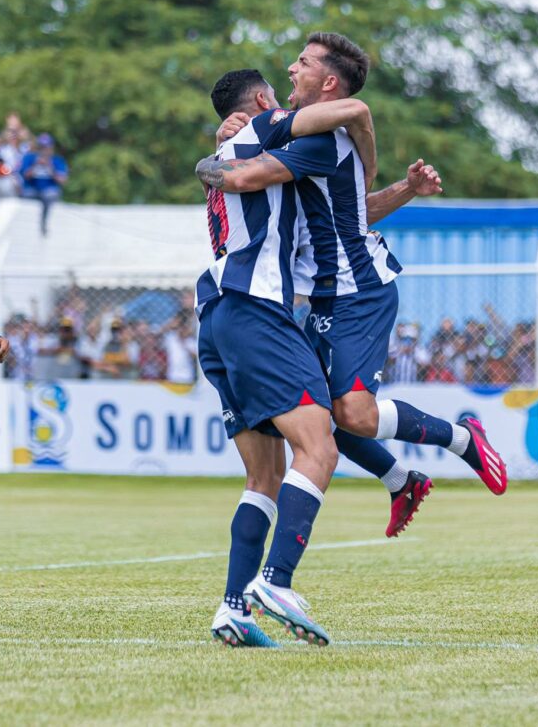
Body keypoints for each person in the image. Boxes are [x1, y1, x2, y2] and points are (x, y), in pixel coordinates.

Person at [213, 34, 508, 509]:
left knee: (354, 414)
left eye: (302, 62)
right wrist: (406, 189)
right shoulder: (310, 137)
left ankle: (461, 439)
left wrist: (215, 157)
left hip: (358, 290)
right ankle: (399, 481)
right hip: (326, 295)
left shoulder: (322, 138)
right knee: (315, 412)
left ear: (328, 82)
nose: (291, 68)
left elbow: (246, 176)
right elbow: (352, 213)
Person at [195, 73, 381, 648]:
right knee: (319, 445)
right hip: (257, 314)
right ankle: (276, 581)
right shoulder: (265, 126)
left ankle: (232, 608)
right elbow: (352, 108)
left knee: (265, 476)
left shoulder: (228, 146)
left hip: (217, 317)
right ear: (261, 100)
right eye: (280, 87)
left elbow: (352, 211)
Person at [20, 133, 68, 235]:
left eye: (46, 147)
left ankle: (44, 223)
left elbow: (62, 180)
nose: (44, 150)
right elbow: (24, 175)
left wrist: (50, 167)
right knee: (25, 195)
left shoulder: (57, 160)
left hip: (49, 191)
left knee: (50, 195)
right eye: (42, 147)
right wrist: (36, 165)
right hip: (32, 190)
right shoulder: (29, 158)